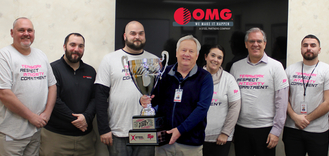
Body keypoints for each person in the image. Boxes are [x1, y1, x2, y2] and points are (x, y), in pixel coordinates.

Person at [0, 17, 57, 155]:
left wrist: (47, 114)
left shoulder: (40, 55)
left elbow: (52, 85)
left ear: (34, 33)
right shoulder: (3, 56)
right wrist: (32, 117)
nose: (26, 33)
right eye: (21, 30)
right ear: (12, 33)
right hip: (11, 133)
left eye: (29, 30)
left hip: (35, 131)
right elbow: (3, 93)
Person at [140, 35, 214, 156]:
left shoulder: (204, 77)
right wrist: (144, 99)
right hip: (164, 143)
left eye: (191, 51)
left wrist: (180, 130)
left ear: (197, 55)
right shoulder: (164, 73)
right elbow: (154, 99)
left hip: (190, 145)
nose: (187, 54)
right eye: (183, 50)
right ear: (176, 53)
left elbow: (202, 109)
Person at [95, 21, 157, 156]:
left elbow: (160, 96)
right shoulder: (110, 59)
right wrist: (103, 129)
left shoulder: (154, 61)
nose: (137, 37)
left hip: (146, 130)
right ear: (125, 36)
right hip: (118, 131)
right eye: (133, 33)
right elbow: (100, 96)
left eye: (141, 33)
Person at [229, 27, 289, 156]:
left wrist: (276, 130)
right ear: (246, 44)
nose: (255, 44)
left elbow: (282, 101)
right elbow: (232, 99)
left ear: (264, 44)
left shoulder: (276, 66)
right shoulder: (236, 67)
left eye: (259, 41)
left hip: (266, 129)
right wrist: (231, 129)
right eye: (251, 41)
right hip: (241, 128)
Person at [40, 33, 97, 155]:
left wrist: (86, 117)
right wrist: (77, 120)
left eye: (80, 46)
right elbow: (53, 99)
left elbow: (95, 98)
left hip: (85, 140)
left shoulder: (90, 71)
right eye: (73, 45)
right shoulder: (53, 69)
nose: (76, 49)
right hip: (56, 138)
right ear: (64, 46)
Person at [283, 34, 329, 156]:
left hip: (318, 131)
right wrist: (295, 117)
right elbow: (283, 99)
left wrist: (306, 119)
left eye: (313, 45)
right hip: (292, 129)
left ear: (319, 49)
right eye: (305, 45)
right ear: (301, 49)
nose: (309, 48)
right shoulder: (290, 70)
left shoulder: (328, 71)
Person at [202, 45, 241, 156]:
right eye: (212, 55)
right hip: (198, 137)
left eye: (219, 57)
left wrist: (225, 133)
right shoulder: (196, 76)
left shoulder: (228, 79)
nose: (215, 60)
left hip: (221, 138)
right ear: (206, 56)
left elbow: (235, 107)